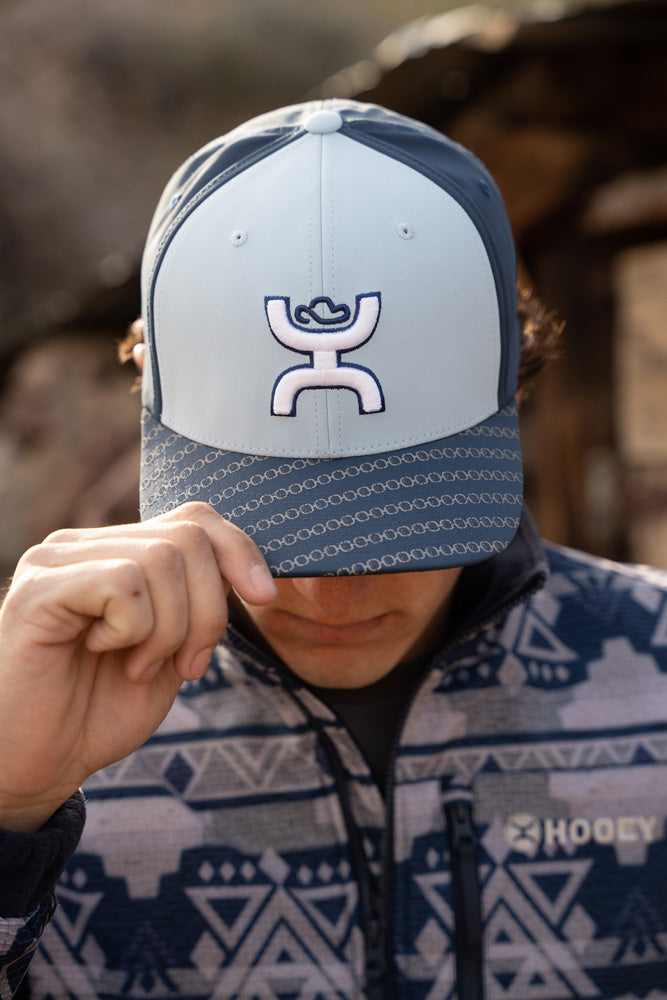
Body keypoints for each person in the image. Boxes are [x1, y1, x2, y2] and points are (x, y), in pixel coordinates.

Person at [0, 99, 665, 1000]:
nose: (327, 597)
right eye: (271, 528)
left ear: (512, 382)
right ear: (151, 391)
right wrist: (9, 815)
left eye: (400, 524)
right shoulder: (31, 713)